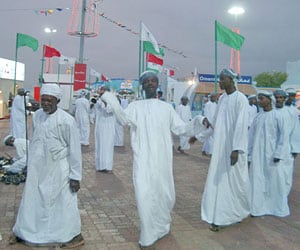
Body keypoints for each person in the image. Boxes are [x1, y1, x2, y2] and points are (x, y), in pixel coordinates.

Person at [99, 71, 210, 248]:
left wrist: (198, 120)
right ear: (142, 85)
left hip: (162, 160)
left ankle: (162, 226)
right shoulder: (135, 107)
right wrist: (110, 99)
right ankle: (147, 234)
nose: (150, 83)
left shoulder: (166, 108)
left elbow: (181, 129)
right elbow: (122, 119)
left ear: (157, 85)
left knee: (164, 193)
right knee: (143, 193)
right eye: (147, 81)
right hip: (142, 158)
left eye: (153, 81)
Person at [10, 84, 84, 248]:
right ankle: (26, 231)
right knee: (32, 200)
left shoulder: (67, 121)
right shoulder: (37, 116)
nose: (45, 104)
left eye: (49, 100)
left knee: (64, 202)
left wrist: (75, 177)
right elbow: (35, 141)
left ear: (57, 100)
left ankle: (73, 235)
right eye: (43, 100)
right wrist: (29, 164)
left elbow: (75, 151)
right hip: (38, 167)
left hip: (59, 168)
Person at [200, 68, 250, 232]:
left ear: (231, 80)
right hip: (220, 149)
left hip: (233, 150)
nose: (219, 82)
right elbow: (215, 123)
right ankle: (220, 215)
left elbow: (241, 125)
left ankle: (236, 212)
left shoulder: (241, 99)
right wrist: (202, 133)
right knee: (220, 182)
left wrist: (236, 149)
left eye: (222, 79)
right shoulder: (222, 99)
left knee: (234, 181)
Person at [248, 90, 289, 217]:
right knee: (257, 180)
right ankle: (258, 208)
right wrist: (249, 155)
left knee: (275, 180)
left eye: (261, 99)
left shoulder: (278, 116)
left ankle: (276, 208)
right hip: (257, 155)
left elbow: (283, 136)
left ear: (269, 100)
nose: (259, 101)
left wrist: (278, 153)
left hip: (273, 156)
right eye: (258, 99)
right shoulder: (257, 117)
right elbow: (251, 137)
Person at [274, 89, 300, 195]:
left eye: (293, 96)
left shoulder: (293, 111)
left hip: (288, 148)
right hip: (274, 146)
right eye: (290, 95)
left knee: (286, 173)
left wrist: (295, 148)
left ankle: (284, 195)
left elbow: (295, 131)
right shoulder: (274, 110)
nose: (291, 98)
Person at [95, 86, 116, 173]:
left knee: (107, 146)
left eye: (103, 93)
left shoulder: (113, 100)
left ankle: (107, 167)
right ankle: (100, 166)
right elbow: (97, 109)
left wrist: (105, 101)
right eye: (101, 93)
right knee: (99, 145)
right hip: (100, 126)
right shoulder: (99, 100)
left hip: (108, 127)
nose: (101, 94)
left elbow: (109, 110)